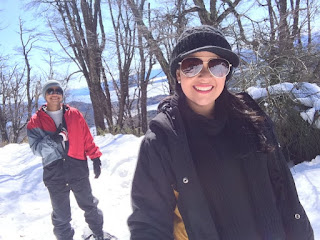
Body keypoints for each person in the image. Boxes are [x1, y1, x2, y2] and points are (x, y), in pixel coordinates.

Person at [127, 25, 314, 240]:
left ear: (227, 73)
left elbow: (286, 194)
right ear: (178, 74)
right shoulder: (162, 141)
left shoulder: (254, 120)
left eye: (217, 65)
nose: (205, 75)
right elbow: (148, 226)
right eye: (192, 65)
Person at [27, 80, 115, 240]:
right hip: (54, 173)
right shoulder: (35, 121)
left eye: (58, 90)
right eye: (50, 91)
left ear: (62, 94)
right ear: (45, 95)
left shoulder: (73, 114)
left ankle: (99, 235)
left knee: (90, 206)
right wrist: (54, 140)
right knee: (61, 216)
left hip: (77, 168)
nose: (54, 93)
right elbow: (36, 149)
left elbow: (86, 137)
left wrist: (95, 156)